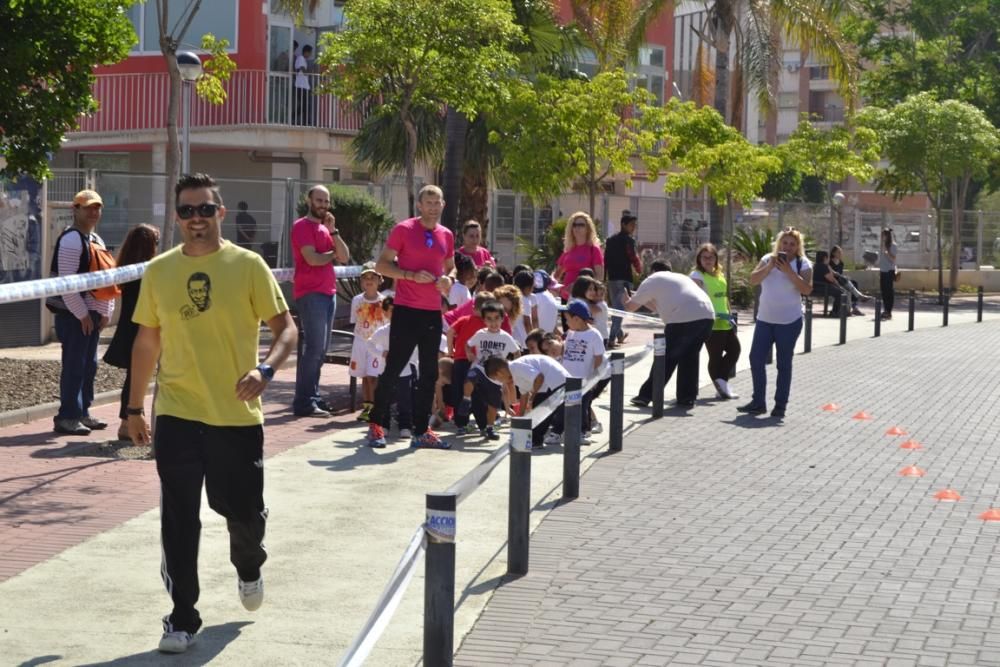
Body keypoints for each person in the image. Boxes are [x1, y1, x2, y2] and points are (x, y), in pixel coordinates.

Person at [126, 173, 298, 654]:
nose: (196, 218)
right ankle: (182, 617)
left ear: (220, 213)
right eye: (187, 211)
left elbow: (286, 330)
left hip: (236, 416)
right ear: (177, 216)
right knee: (179, 519)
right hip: (177, 414)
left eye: (205, 209)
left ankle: (249, 564)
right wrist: (134, 408)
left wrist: (266, 369)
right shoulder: (159, 271)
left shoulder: (248, 266)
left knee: (241, 512)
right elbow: (146, 341)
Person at [367, 184, 455, 449]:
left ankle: (421, 430)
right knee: (394, 368)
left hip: (431, 312)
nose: (432, 206)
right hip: (405, 309)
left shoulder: (447, 234)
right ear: (419, 205)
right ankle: (376, 425)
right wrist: (409, 275)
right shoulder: (404, 229)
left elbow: (451, 268)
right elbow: (382, 265)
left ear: (443, 205)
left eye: (436, 202)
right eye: (428, 202)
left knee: (429, 373)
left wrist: (448, 281)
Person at [47, 189, 118, 436]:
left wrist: (106, 310)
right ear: (74, 209)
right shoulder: (71, 240)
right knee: (75, 365)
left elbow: (105, 278)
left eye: (97, 207)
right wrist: (82, 314)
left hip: (92, 316)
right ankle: (67, 417)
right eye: (87, 207)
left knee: (89, 366)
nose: (93, 212)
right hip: (75, 316)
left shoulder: (95, 239)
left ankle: (83, 412)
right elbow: (67, 284)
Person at [738, 227, 813, 418]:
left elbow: (806, 289)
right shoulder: (766, 259)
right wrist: (770, 266)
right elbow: (753, 280)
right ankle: (758, 402)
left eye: (792, 244)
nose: (787, 247)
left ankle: (780, 405)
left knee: (783, 364)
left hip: (789, 322)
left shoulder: (803, 264)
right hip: (765, 320)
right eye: (784, 243)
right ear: (779, 244)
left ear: (798, 247)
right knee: (756, 359)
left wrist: (789, 272)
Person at [623, 261, 715, 410]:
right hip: (707, 315)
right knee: (690, 357)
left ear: (652, 271)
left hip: (683, 317)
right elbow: (656, 308)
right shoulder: (680, 278)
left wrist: (626, 299)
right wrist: (641, 298)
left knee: (666, 357)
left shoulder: (651, 280)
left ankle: (646, 395)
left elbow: (630, 307)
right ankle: (687, 398)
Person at [291, 185, 349, 417]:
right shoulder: (302, 227)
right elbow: (312, 259)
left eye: (326, 201)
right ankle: (304, 402)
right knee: (314, 349)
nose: (323, 205)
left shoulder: (326, 229)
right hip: (310, 293)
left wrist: (334, 232)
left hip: (329, 293)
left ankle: (312, 397)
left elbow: (344, 256)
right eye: (319, 200)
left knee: (321, 349)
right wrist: (332, 255)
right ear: (309, 200)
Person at [102, 224, 160, 441]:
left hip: (131, 328)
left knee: (133, 378)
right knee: (135, 377)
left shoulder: (129, 268)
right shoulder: (145, 271)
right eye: (155, 242)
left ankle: (129, 422)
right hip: (138, 329)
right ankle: (128, 423)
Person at [457, 300, 519, 440]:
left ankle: (489, 428)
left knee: (492, 406)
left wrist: (511, 366)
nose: (493, 322)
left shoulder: (506, 337)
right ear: (484, 320)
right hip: (480, 366)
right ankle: (466, 400)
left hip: (495, 376)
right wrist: (469, 353)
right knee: (470, 377)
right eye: (489, 319)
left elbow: (516, 352)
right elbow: (468, 344)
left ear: (502, 319)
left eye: (497, 318)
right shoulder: (480, 334)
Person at [689, 243, 740, 400]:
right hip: (710, 322)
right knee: (715, 356)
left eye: (711, 257)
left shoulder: (720, 274)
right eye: (704, 257)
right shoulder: (696, 276)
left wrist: (730, 315)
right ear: (699, 259)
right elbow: (694, 299)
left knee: (735, 350)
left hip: (725, 320)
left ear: (716, 258)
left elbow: (724, 298)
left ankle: (721, 382)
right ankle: (721, 385)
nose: (708, 260)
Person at [490, 354, 570, 450]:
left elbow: (539, 378)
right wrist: (520, 417)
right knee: (539, 410)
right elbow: (524, 394)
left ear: (499, 373)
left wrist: (532, 398)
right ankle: (536, 439)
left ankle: (536, 440)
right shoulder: (515, 372)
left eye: (496, 378)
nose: (499, 381)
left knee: (539, 411)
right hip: (552, 382)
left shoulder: (515, 367)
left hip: (554, 381)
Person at [349, 262, 387, 421]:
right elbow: (355, 321)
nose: (369, 280)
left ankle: (377, 406)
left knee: (374, 376)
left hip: (377, 344)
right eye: (365, 277)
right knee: (364, 376)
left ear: (380, 280)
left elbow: (387, 324)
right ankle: (367, 407)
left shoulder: (384, 301)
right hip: (360, 342)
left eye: (373, 277)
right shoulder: (357, 300)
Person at [605, 211, 641, 347]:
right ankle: (612, 338)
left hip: (612, 278)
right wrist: (638, 269)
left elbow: (606, 259)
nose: (633, 227)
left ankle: (619, 335)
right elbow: (633, 256)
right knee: (619, 310)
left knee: (616, 308)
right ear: (623, 225)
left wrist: (605, 276)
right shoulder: (628, 240)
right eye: (631, 225)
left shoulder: (610, 240)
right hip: (624, 278)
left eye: (634, 225)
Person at [553, 212, 604, 302]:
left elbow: (600, 276)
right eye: (574, 225)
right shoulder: (568, 250)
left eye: (581, 225)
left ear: (588, 228)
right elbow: (556, 275)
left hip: (585, 299)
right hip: (566, 297)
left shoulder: (594, 249)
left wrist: (579, 285)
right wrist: (554, 286)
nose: (577, 227)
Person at [829, 245, 869, 316]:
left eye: (841, 252)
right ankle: (858, 298)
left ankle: (854, 307)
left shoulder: (841, 263)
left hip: (841, 279)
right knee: (848, 288)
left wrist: (845, 276)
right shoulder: (830, 263)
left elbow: (840, 274)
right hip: (834, 281)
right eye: (838, 252)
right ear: (833, 253)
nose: (840, 254)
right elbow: (831, 274)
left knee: (854, 283)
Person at [812, 250, 849, 316]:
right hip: (822, 288)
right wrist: (839, 286)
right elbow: (831, 279)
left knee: (839, 291)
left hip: (815, 287)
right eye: (828, 257)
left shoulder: (815, 265)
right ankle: (835, 312)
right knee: (840, 293)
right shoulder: (823, 266)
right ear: (825, 258)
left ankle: (840, 311)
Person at [878, 227, 898, 321]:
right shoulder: (883, 246)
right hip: (883, 271)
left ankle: (889, 311)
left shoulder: (893, 246)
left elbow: (893, 259)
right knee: (883, 291)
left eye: (883, 236)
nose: (882, 238)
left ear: (887, 236)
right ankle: (885, 310)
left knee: (889, 292)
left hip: (889, 271)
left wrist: (887, 252)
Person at [294, 45, 313, 125]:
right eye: (310, 53)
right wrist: (311, 70)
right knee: (304, 105)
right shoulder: (301, 58)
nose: (310, 55)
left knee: (304, 105)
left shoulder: (303, 59)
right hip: (301, 86)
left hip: (304, 86)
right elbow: (304, 71)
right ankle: (304, 121)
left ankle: (296, 118)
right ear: (306, 52)